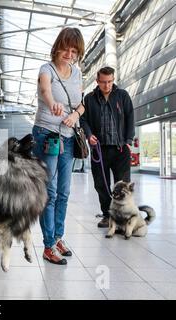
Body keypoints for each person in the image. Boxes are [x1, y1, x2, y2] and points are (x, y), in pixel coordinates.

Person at [33, 27, 86, 265]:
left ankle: (58, 237)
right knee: (50, 192)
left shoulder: (77, 72)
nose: (70, 54)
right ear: (58, 46)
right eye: (66, 48)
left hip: (68, 135)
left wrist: (75, 115)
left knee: (64, 192)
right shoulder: (47, 69)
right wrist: (52, 103)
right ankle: (47, 245)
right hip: (47, 135)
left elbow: (81, 104)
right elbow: (45, 89)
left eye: (74, 50)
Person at [80, 66, 134, 228]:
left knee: (123, 185)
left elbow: (130, 117)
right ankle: (107, 215)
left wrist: (128, 141)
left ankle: (123, 217)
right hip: (99, 150)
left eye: (110, 81)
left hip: (120, 149)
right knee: (100, 184)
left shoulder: (122, 95)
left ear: (113, 79)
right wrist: (89, 135)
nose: (107, 85)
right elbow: (83, 120)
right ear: (97, 81)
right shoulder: (89, 99)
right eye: (103, 82)